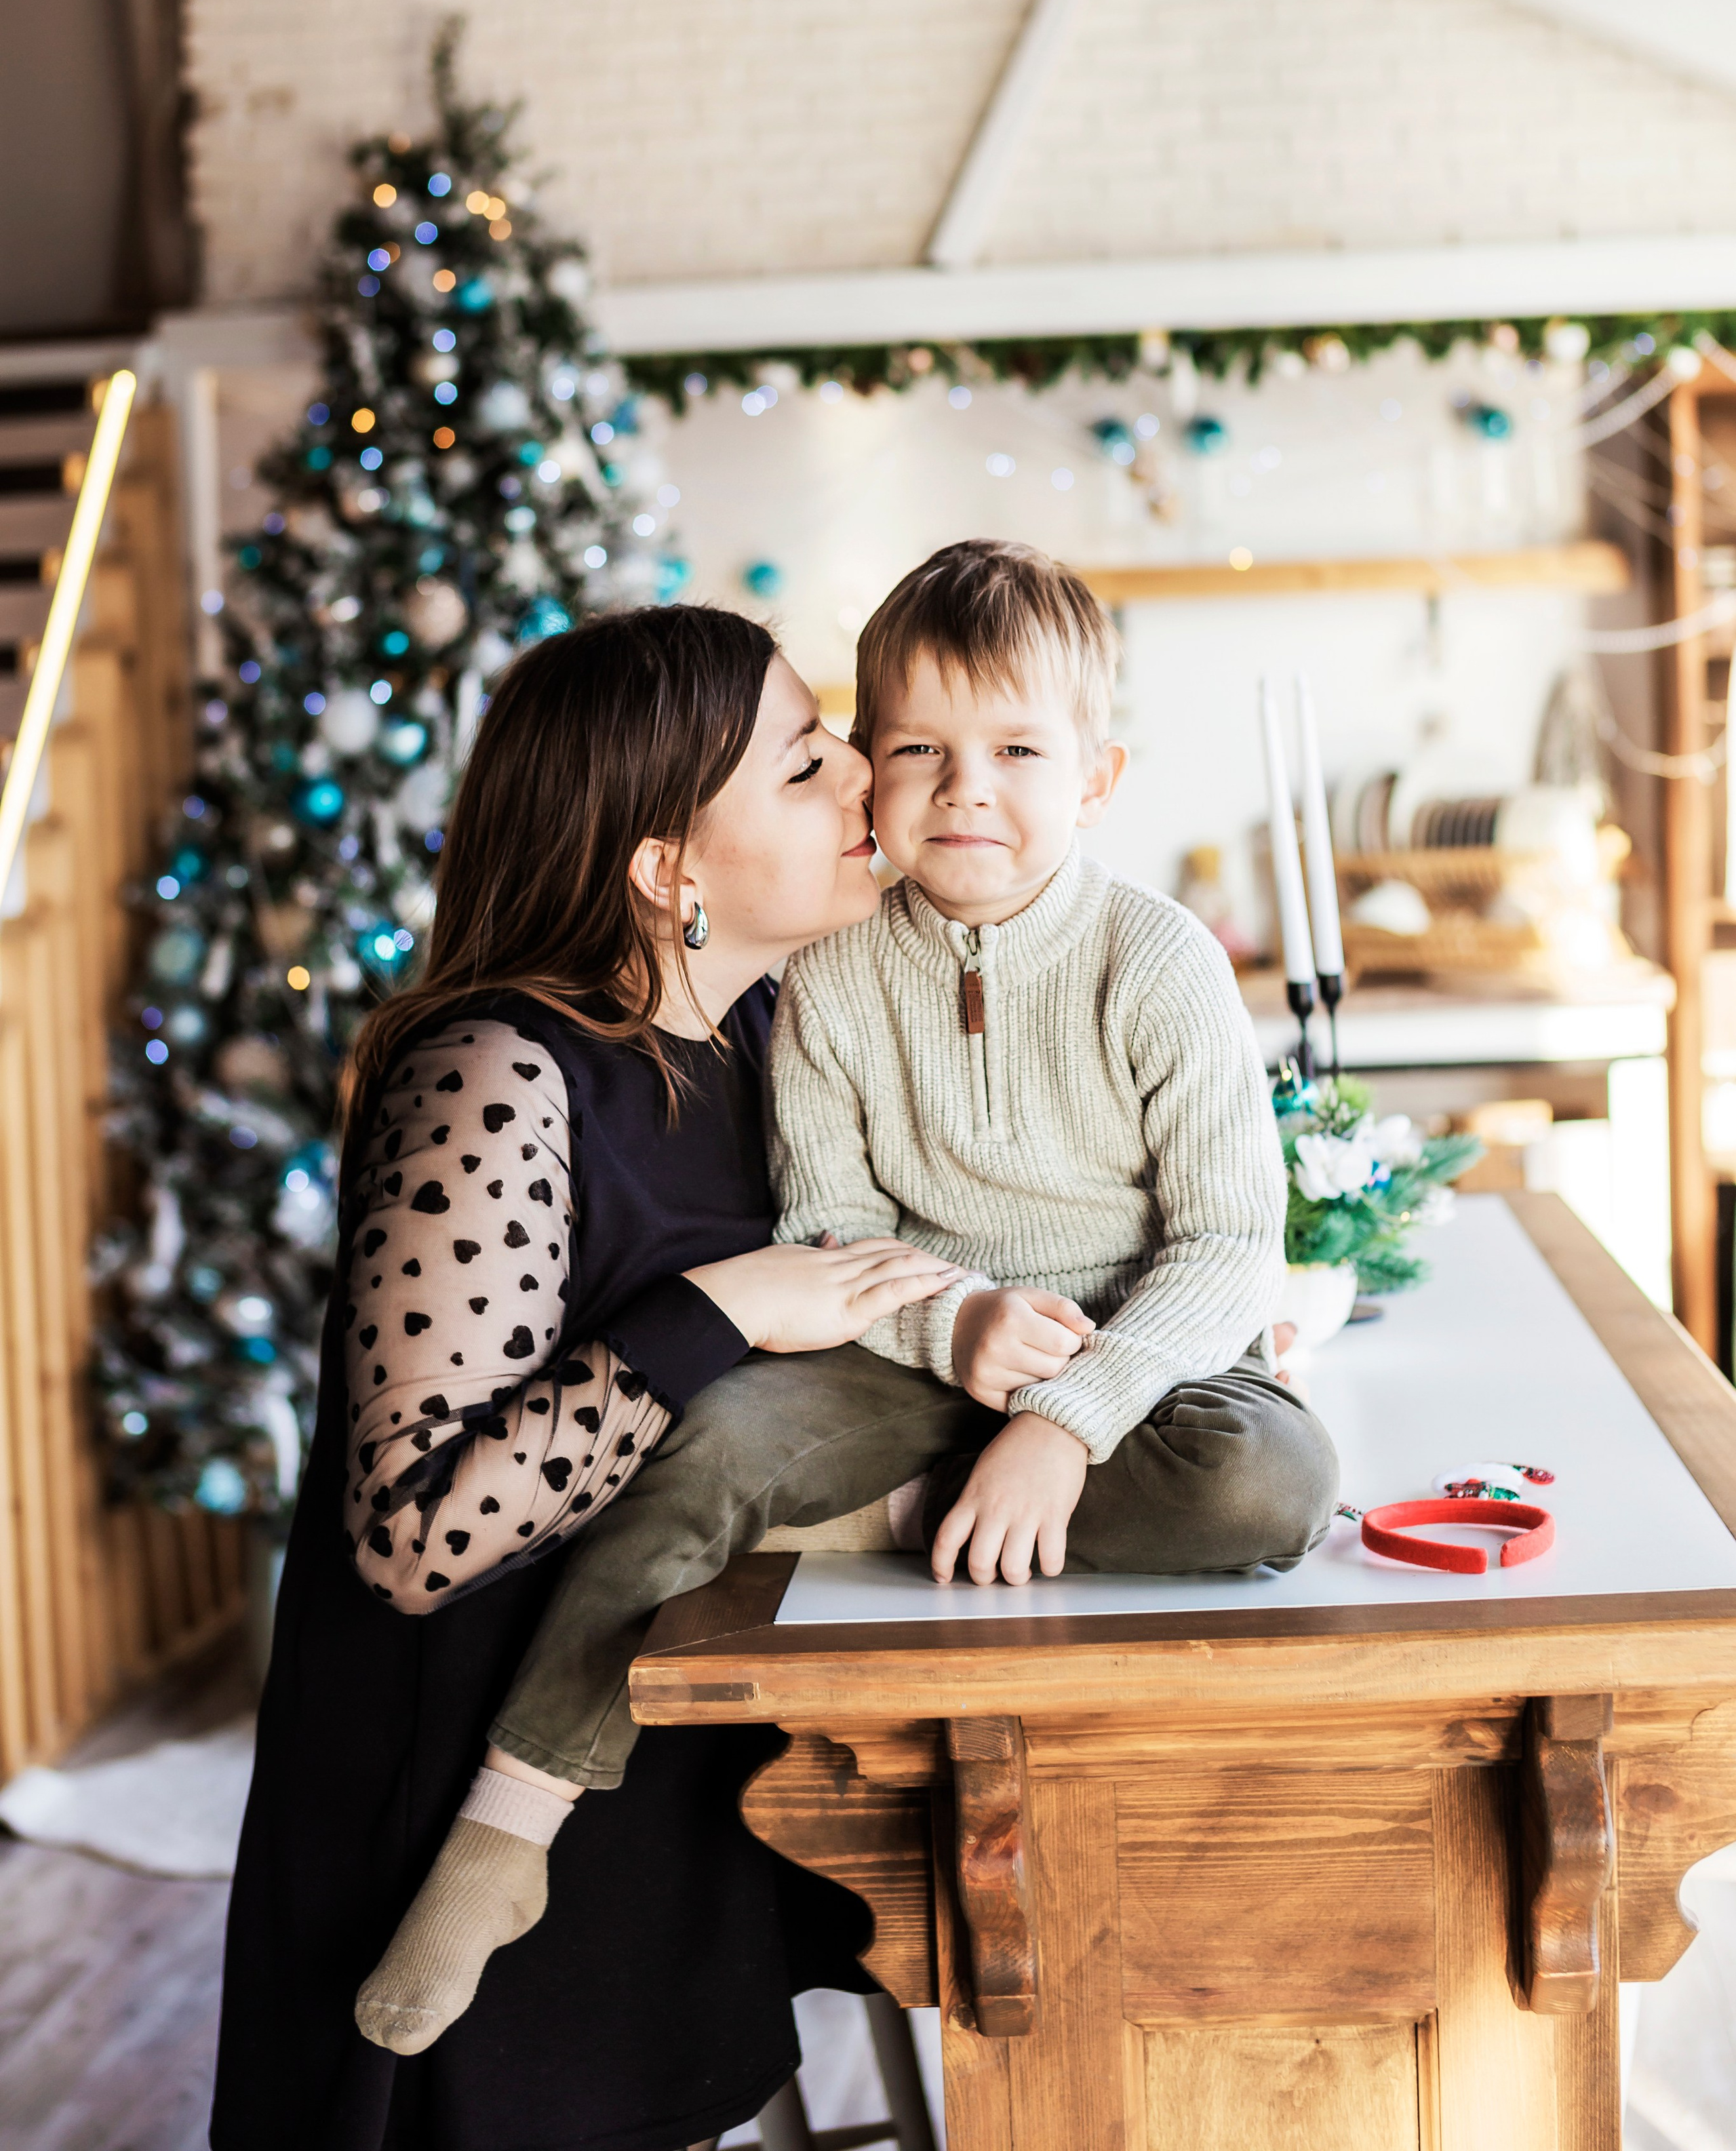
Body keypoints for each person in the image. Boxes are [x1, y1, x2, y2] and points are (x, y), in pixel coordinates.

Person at [372, 538, 1339, 2052]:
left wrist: (1066, 1421)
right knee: (704, 1448)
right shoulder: (821, 978)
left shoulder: (1154, 962)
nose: (964, 791)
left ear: (1097, 775)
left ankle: (920, 1507)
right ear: (874, 778)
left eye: (1017, 750)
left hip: (1117, 1364)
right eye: (905, 752)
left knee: (1267, 1478)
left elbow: (1224, 1242)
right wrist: (950, 1327)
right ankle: (511, 1822)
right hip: (900, 1355)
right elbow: (827, 1225)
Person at [213, 604, 962, 2151]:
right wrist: (719, 1310)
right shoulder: (495, 1067)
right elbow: (417, 1537)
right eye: (805, 764)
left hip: (645, 1750)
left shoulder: (769, 1038)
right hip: (450, 1793)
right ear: (665, 865)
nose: (864, 790)